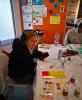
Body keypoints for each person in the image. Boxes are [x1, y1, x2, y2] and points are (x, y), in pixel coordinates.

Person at [8, 30, 49, 100]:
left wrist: (41, 55)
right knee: (40, 79)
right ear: (25, 41)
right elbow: (29, 65)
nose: (35, 43)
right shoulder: (20, 51)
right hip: (19, 76)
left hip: (24, 71)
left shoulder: (27, 46)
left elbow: (34, 52)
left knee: (41, 73)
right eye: (32, 41)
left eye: (36, 41)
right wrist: (36, 61)